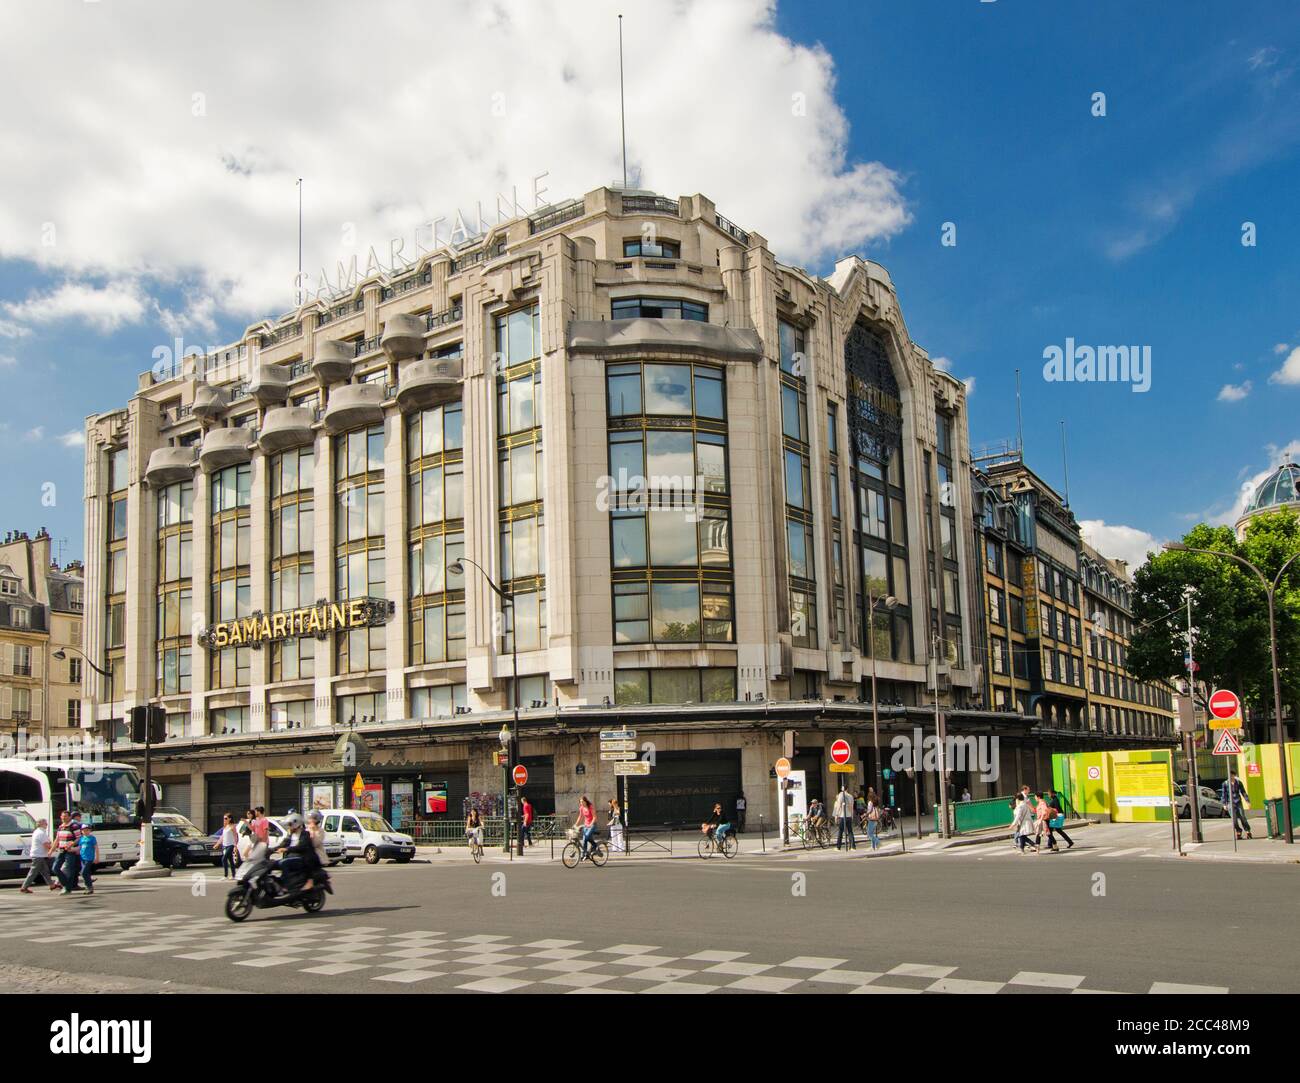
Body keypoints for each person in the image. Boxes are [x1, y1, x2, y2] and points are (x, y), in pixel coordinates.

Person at [19, 817, 54, 893]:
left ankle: (52, 885)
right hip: (38, 855)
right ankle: (24, 887)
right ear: (41, 824)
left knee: (45, 871)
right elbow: (46, 845)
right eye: (45, 823)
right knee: (33, 872)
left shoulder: (37, 831)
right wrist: (54, 849)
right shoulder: (41, 833)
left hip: (38, 855)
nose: (47, 824)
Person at [53, 812, 81, 893]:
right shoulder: (61, 827)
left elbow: (79, 838)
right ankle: (66, 885)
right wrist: (51, 850)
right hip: (61, 850)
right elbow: (57, 839)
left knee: (69, 869)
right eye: (62, 816)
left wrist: (72, 843)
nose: (63, 818)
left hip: (70, 850)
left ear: (69, 817)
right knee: (55, 868)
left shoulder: (74, 826)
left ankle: (67, 888)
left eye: (65, 816)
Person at [1221, 776, 1253, 840]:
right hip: (1230, 803)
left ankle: (1248, 831)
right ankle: (1238, 831)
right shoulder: (1225, 783)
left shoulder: (1238, 782)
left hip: (1238, 802)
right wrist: (1224, 804)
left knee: (1242, 817)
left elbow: (1243, 792)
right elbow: (1224, 794)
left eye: (1232, 775)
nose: (1231, 777)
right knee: (1234, 820)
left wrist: (1247, 801)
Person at [76, 823, 99, 895]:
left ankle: (89, 887)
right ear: (81, 831)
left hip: (89, 858)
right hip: (82, 858)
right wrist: (70, 849)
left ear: (90, 830)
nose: (85, 831)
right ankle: (89, 887)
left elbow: (96, 848)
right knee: (85, 873)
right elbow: (79, 848)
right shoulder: (81, 838)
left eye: (87, 830)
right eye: (84, 830)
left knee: (84, 872)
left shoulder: (92, 838)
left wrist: (97, 857)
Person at [215, 813, 240, 879]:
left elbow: (235, 836)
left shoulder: (233, 826)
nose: (224, 820)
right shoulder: (225, 826)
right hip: (225, 845)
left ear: (230, 819)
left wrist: (235, 846)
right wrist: (217, 844)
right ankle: (233, 875)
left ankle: (225, 875)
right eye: (224, 818)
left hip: (230, 845)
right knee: (231, 860)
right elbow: (222, 837)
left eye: (226, 818)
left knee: (224, 859)